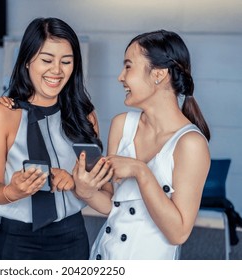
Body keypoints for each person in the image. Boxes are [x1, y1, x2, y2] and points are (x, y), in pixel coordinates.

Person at [73, 30, 211, 260]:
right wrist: (86, 191)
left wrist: (140, 171)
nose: (120, 77)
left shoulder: (191, 144)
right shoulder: (122, 125)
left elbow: (178, 232)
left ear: (158, 74)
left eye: (128, 66)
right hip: (104, 256)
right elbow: (112, 205)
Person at [0, 17, 103, 260]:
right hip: (17, 240)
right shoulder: (1, 115)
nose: (56, 71)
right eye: (47, 60)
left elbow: (100, 186)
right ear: (26, 61)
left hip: (72, 234)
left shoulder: (84, 115)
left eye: (66, 61)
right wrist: (12, 191)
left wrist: (76, 183)